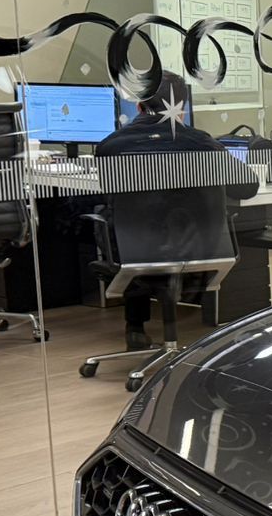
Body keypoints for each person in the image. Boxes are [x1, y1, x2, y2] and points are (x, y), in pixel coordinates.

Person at [93, 71, 257, 349]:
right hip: (202, 250)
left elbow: (112, 197)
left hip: (136, 252)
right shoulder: (204, 145)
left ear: (139, 105)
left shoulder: (112, 146)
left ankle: (135, 327)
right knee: (146, 228)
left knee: (132, 226)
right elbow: (247, 188)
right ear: (182, 106)